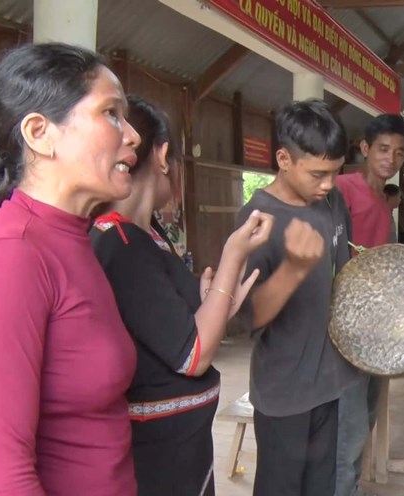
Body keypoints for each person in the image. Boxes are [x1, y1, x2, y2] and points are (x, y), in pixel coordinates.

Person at [89, 96, 273, 495]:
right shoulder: (120, 242)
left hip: (183, 446)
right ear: (162, 155)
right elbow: (193, 354)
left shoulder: (148, 236)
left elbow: (175, 325)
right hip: (158, 459)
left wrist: (215, 303)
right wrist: (233, 255)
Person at [0, 43, 141, 494]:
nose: (132, 134)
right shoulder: (15, 253)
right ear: (41, 133)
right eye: (111, 114)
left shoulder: (74, 238)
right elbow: (5, 470)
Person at [238, 99, 361, 496]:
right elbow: (247, 318)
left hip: (329, 383)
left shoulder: (332, 203)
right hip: (284, 392)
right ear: (283, 159)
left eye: (336, 173)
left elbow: (345, 275)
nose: (328, 184)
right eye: (318, 174)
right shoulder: (258, 220)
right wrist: (292, 269)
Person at [333, 114, 404, 496]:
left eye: (398, 153)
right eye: (382, 149)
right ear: (364, 149)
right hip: (346, 325)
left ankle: (352, 486)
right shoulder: (342, 190)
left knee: (367, 410)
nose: (390, 159)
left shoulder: (385, 203)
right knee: (348, 423)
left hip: (377, 326)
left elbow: (388, 265)